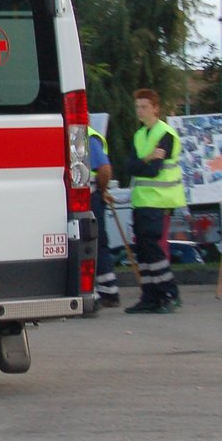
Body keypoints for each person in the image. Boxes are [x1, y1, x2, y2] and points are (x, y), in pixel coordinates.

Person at [125, 89, 185, 313]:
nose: (139, 111)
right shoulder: (139, 135)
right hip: (141, 200)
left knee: (152, 247)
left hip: (159, 201)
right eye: (138, 107)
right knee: (142, 249)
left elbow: (153, 171)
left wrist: (143, 163)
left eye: (144, 107)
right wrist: (147, 158)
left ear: (155, 109)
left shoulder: (165, 134)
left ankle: (170, 292)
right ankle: (150, 296)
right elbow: (129, 167)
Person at [86, 121, 119, 310]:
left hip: (90, 197)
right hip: (90, 196)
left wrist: (101, 189)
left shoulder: (87, 136)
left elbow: (104, 169)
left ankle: (107, 292)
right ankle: (107, 290)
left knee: (95, 243)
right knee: (95, 243)